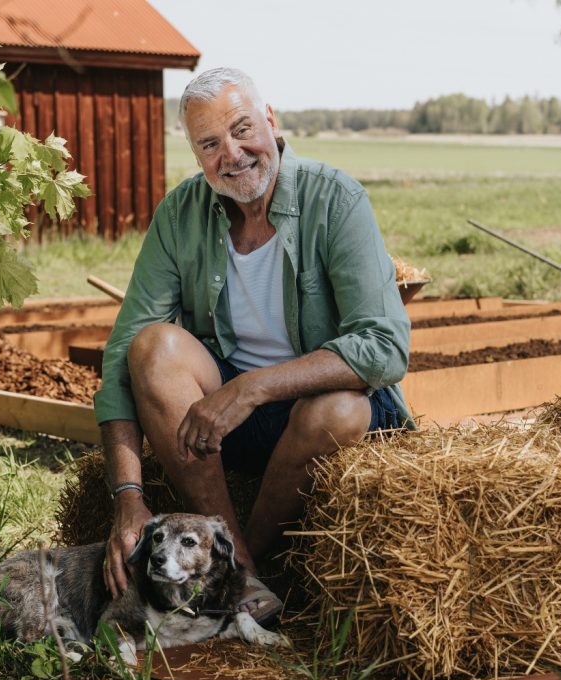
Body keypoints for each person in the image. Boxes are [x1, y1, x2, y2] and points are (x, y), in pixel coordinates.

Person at [93, 67, 412, 625]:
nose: (233, 154)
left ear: (271, 121)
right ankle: (243, 576)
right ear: (195, 154)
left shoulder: (336, 199)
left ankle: (240, 564)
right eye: (211, 144)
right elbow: (123, 356)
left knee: (339, 406)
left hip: (333, 421)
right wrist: (127, 494)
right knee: (151, 348)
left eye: (243, 130)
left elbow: (385, 347)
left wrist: (252, 387)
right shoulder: (180, 214)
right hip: (230, 428)